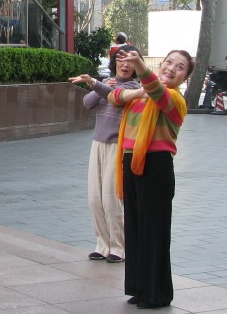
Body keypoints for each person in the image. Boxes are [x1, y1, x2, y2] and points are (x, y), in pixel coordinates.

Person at [108, 49, 191, 309]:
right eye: (169, 62)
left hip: (156, 167)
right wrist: (138, 89)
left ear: (184, 77)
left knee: (154, 232)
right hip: (131, 162)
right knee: (135, 228)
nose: (171, 68)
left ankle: (157, 293)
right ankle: (139, 287)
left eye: (180, 67)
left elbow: (157, 92)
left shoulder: (174, 99)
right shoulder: (141, 94)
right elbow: (114, 96)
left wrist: (141, 69)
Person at [68, 44, 142, 264]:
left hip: (117, 147)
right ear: (114, 63)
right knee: (94, 198)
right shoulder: (107, 83)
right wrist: (97, 87)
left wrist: (96, 84)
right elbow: (87, 103)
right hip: (97, 144)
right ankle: (102, 244)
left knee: (111, 198)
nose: (125, 65)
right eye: (121, 60)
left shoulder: (133, 87)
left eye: (130, 61)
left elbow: (116, 98)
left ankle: (118, 247)